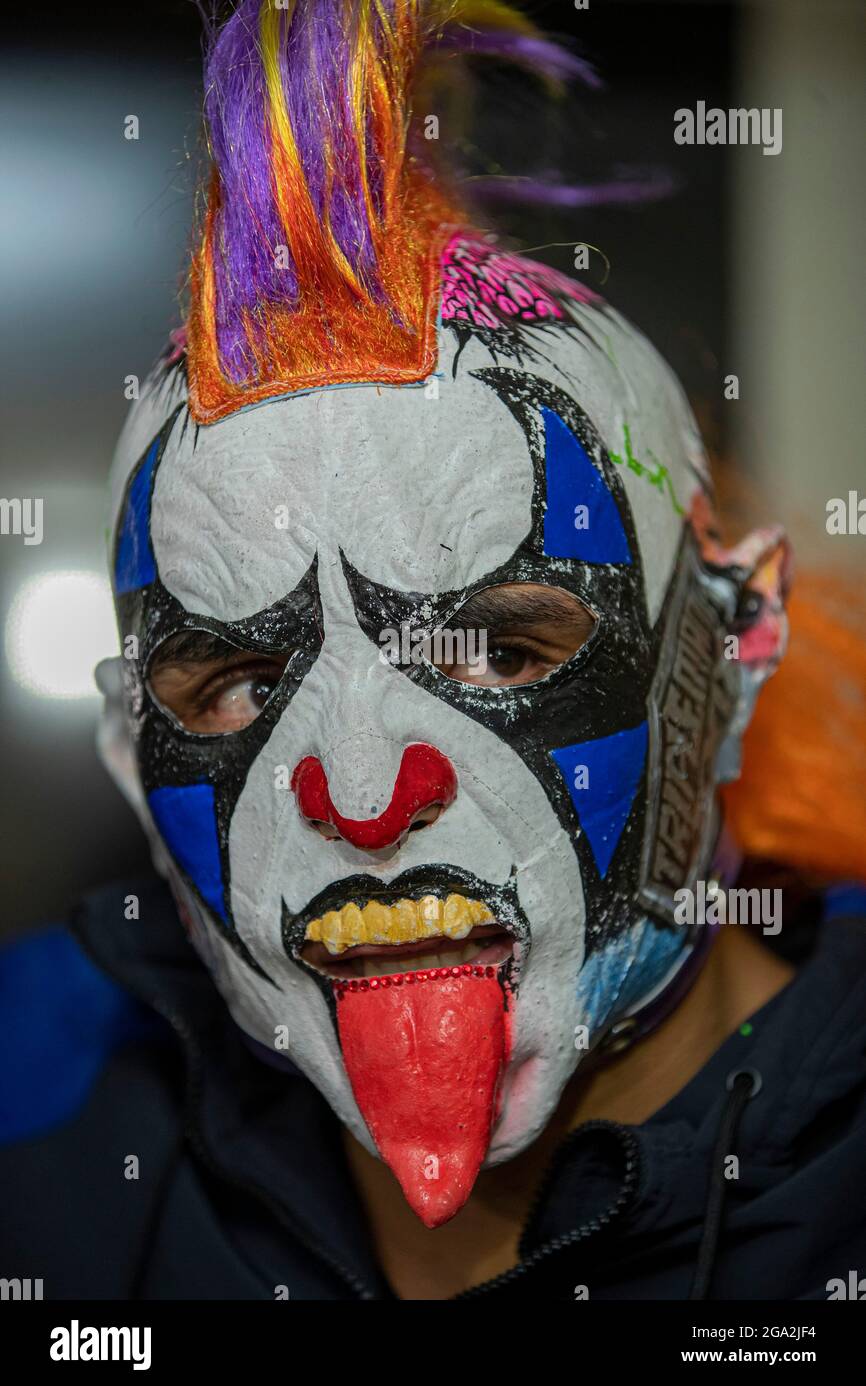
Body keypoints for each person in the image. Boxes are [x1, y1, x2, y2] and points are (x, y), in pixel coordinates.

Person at [2, 0, 865, 1301]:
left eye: (497, 651)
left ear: (731, 645)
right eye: (237, 683)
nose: (358, 789)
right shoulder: (43, 1147)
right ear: (131, 755)